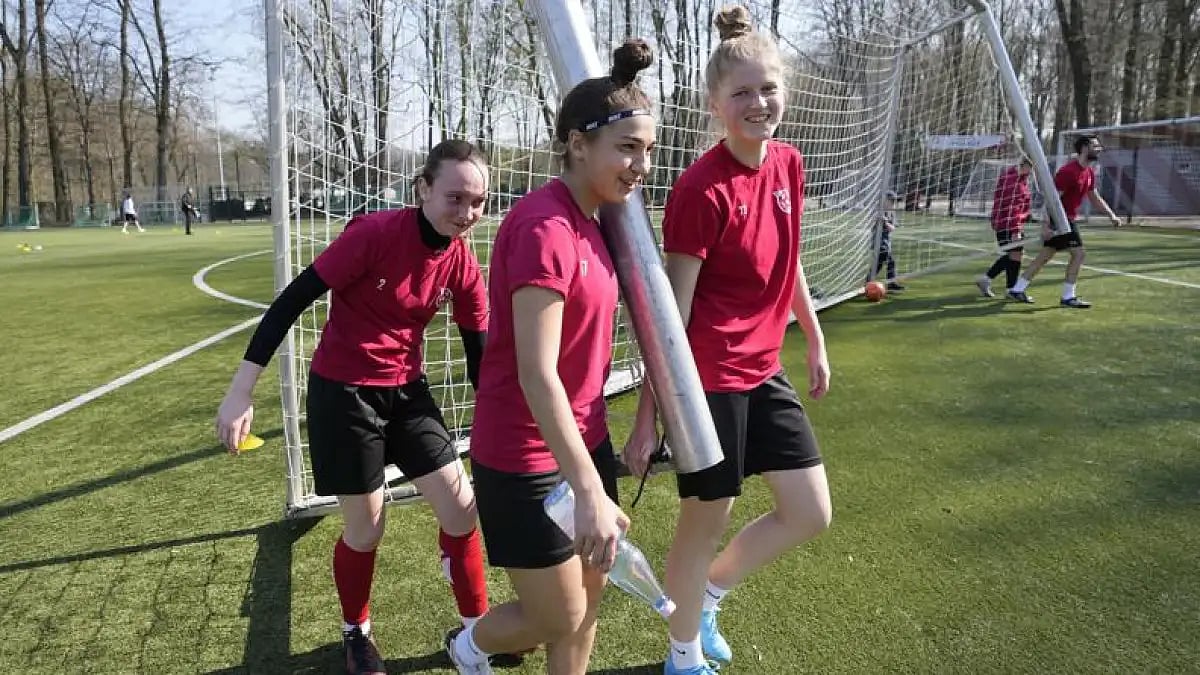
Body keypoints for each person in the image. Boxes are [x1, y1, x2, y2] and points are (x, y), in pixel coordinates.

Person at [215, 139, 495, 675]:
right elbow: (290, 303)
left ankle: (477, 628)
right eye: (455, 198)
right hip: (345, 394)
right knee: (366, 529)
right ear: (423, 189)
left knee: (462, 510)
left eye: (477, 201)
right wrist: (240, 391)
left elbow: (479, 354)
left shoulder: (461, 261)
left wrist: (499, 425)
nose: (467, 213)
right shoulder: (374, 235)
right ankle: (356, 632)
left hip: (407, 393)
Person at [624, 7, 832, 675]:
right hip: (707, 379)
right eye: (741, 93)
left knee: (810, 510)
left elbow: (791, 260)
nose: (758, 103)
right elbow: (670, 316)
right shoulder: (700, 189)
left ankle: (708, 596)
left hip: (764, 368)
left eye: (768, 88)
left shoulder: (790, 163)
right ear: (715, 105)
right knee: (706, 519)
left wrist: (815, 339)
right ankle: (681, 655)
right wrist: (650, 415)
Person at [445, 40, 656, 675]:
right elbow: (538, 375)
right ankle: (470, 646)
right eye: (628, 148)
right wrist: (589, 489)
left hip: (585, 442)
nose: (642, 165)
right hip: (522, 457)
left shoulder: (601, 219)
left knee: (587, 609)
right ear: (577, 144)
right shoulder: (546, 228)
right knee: (556, 616)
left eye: (648, 149)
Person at [1006, 136, 1119, 307]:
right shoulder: (1068, 172)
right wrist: (1046, 225)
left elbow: (1094, 197)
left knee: (1045, 255)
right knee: (1078, 254)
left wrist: (1111, 215)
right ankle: (1068, 297)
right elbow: (1051, 200)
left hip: (1067, 219)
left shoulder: (1088, 172)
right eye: (1095, 146)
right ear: (1084, 148)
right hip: (1060, 220)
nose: (1099, 149)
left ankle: (1017, 289)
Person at [976, 158, 1032, 297]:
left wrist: (1026, 215)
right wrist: (1016, 229)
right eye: (1031, 167)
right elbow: (1012, 206)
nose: (1032, 171)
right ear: (1025, 165)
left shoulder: (1019, 179)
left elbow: (1021, 204)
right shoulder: (1013, 181)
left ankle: (1005, 287)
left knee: (1015, 255)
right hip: (1008, 224)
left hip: (1008, 223)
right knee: (1015, 255)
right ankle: (996, 283)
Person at [874, 191, 905, 291]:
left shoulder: (891, 213)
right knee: (889, 260)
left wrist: (885, 222)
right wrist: (879, 219)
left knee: (880, 263)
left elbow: (892, 227)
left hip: (886, 242)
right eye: (891, 201)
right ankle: (891, 283)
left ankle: (869, 281)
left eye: (894, 201)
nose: (893, 204)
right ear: (884, 200)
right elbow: (873, 222)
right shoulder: (878, 210)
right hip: (878, 241)